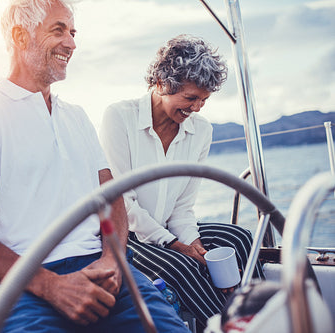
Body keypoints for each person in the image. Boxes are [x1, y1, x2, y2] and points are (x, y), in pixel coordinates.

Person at [0, 1, 189, 332]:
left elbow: (111, 198)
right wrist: (51, 286)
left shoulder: (76, 117)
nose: (72, 43)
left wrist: (112, 258)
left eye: (73, 32)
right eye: (58, 30)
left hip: (101, 268)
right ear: (20, 36)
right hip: (19, 287)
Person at [100, 35, 265, 329]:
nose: (198, 108)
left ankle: (268, 315)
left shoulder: (201, 131)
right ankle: (234, 326)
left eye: (204, 99)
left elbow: (183, 206)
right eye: (191, 98)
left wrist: (193, 242)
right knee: (184, 267)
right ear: (163, 84)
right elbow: (123, 203)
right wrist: (176, 245)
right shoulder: (119, 118)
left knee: (239, 239)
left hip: (168, 230)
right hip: (127, 234)